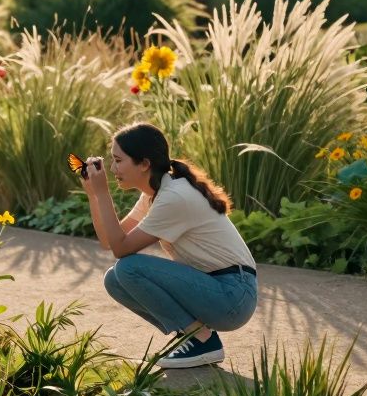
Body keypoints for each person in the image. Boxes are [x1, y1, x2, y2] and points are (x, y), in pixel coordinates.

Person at [80, 123, 258, 369]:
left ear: (144, 163)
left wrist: (103, 194)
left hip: (233, 295)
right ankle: (193, 337)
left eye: (118, 161)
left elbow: (121, 249)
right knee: (114, 279)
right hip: (215, 289)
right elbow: (108, 241)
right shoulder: (155, 193)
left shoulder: (174, 196)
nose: (112, 168)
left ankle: (203, 341)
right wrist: (93, 194)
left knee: (128, 268)